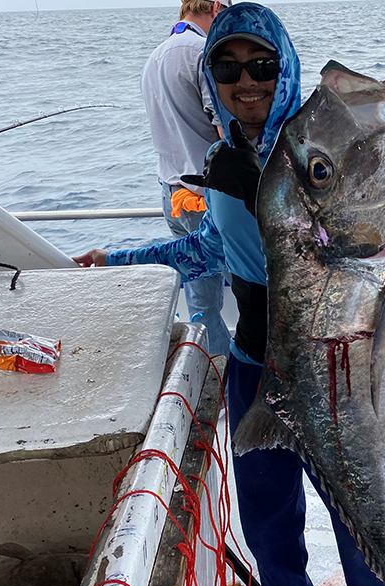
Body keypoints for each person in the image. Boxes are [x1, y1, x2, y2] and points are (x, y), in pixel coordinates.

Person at [73, 2, 385, 586]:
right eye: (227, 66)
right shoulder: (218, 158)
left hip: (329, 364)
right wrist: (117, 259)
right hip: (253, 360)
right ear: (209, 76)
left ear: (286, 66)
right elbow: (209, 250)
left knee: (354, 504)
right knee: (266, 508)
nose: (245, 81)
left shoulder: (323, 145)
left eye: (262, 65)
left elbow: (370, 246)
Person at [141, 0, 231, 357]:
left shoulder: (155, 58)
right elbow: (223, 126)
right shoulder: (203, 52)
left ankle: (208, 381)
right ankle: (230, 381)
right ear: (213, 5)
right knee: (252, 291)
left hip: (172, 195)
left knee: (201, 301)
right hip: (205, 198)